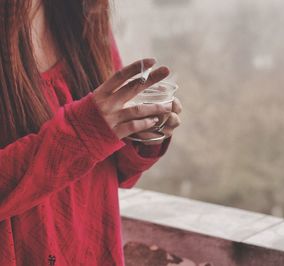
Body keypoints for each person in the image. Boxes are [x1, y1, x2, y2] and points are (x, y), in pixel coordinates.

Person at [0, 0, 182, 265]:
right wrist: (85, 132)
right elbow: (88, 137)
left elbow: (111, 172)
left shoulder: (84, 13)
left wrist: (138, 131)